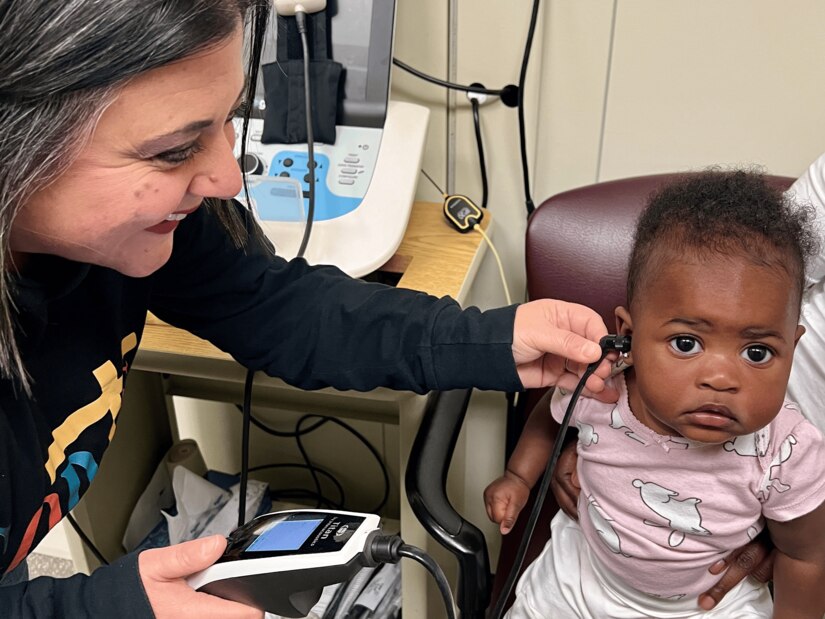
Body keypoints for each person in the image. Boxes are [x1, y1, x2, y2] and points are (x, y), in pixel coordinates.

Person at [0, 1, 620, 617]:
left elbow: (275, 305)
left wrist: (486, 339)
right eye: (173, 151)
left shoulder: (153, 231)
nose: (226, 176)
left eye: (228, 121)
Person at [484, 171, 825, 618]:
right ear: (628, 335)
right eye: (687, 343)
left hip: (710, 607)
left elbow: (806, 557)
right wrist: (518, 476)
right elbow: (550, 419)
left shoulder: (789, 452)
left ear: (792, 347)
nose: (721, 378)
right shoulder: (600, 388)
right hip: (578, 584)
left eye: (757, 352)